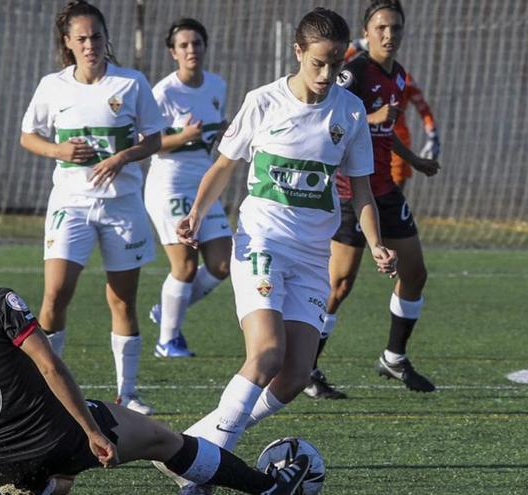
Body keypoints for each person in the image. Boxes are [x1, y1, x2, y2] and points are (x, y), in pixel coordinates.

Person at [0, 231, 312, 495]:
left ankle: (45, 485)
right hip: (56, 436)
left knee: (52, 474)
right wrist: (93, 432)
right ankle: (267, 488)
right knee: (165, 441)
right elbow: (51, 368)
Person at [164, 8, 397, 494]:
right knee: (266, 353)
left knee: (291, 378)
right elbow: (223, 166)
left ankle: (197, 443)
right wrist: (195, 214)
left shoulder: (349, 111)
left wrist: (376, 244)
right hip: (262, 241)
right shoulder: (263, 101)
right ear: (298, 52)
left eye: (336, 63)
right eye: (319, 63)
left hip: (314, 256)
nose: (328, 74)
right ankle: (203, 470)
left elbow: (363, 191)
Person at [20, 0, 165, 414]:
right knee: (55, 294)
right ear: (67, 43)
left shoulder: (131, 83)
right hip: (72, 203)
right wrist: (58, 149)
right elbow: (28, 136)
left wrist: (122, 157)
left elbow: (154, 138)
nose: (90, 45)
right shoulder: (53, 86)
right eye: (81, 38)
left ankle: (128, 393)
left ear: (106, 39)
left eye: (96, 37)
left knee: (121, 300)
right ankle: (46, 387)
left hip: (122, 206)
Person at [309, 0, 441, 400]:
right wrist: (370, 119)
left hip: (386, 189)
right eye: (381, 27)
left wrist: (414, 159)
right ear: (367, 32)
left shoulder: (397, 76)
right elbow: (326, 119)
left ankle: (394, 357)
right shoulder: (354, 72)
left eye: (396, 28)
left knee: (414, 274)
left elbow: (385, 130)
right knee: (339, 283)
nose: (389, 35)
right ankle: (307, 368)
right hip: (351, 191)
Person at [145, 18, 231, 358]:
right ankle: (168, 340)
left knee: (223, 265)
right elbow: (147, 142)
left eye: (196, 43)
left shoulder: (217, 85)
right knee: (185, 266)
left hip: (204, 182)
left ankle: (167, 311)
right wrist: (183, 136)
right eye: (184, 45)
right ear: (173, 52)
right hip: (170, 184)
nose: (191, 50)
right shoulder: (163, 93)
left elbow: (211, 135)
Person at [343, 38, 441, 191]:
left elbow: (423, 108)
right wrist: (357, 45)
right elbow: (337, 66)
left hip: (397, 139)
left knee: (392, 194)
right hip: (363, 140)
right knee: (361, 192)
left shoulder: (403, 78)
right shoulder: (358, 73)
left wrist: (433, 135)